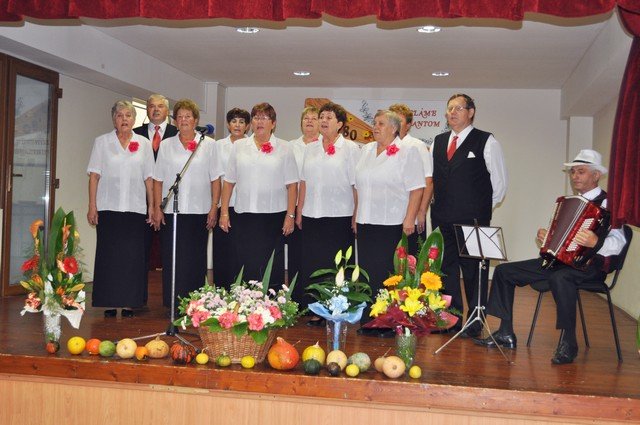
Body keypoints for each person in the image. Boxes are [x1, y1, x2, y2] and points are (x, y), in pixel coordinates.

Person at [474, 149, 626, 365]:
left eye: (580, 172)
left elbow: (619, 242)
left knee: (560, 278)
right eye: (573, 172)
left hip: (589, 267)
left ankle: (569, 342)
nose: (575, 176)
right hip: (560, 262)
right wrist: (547, 238)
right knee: (504, 271)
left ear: (596, 175)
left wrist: (596, 243)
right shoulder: (570, 202)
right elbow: (561, 237)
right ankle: (505, 332)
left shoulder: (609, 205)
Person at [430, 93, 508, 337]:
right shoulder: (438, 141)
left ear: (471, 112)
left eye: (458, 108)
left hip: (473, 219)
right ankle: (451, 319)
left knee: (475, 272)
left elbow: (500, 184)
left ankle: (475, 322)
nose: (452, 113)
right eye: (449, 108)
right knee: (446, 270)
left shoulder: (486, 141)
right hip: (442, 218)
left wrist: (480, 208)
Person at [355, 110, 425, 337]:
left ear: (394, 129)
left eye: (381, 123)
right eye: (375, 123)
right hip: (366, 220)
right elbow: (358, 186)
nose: (375, 127)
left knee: (388, 273)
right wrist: (356, 215)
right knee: (368, 271)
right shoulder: (366, 150)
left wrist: (409, 218)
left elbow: (417, 189)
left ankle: (389, 321)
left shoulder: (407, 151)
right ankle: (370, 319)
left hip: (392, 222)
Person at [87, 100, 154, 318]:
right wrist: (92, 205)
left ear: (134, 119)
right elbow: (94, 176)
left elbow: (149, 179)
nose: (124, 119)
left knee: (132, 258)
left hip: (135, 208)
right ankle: (109, 301)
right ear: (113, 119)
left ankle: (128, 303)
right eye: (119, 115)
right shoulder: (102, 142)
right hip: (108, 207)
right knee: (109, 256)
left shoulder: (144, 143)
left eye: (128, 115)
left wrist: (152, 206)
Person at [219, 102, 298, 286]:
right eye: (256, 117)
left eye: (264, 118)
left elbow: (292, 185)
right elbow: (229, 182)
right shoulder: (239, 146)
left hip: (273, 216)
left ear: (273, 123)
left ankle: (271, 301)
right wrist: (224, 212)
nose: (259, 121)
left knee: (271, 264)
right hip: (244, 215)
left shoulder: (285, 147)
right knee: (245, 261)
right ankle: (246, 300)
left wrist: (290, 215)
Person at [152, 99, 222, 308]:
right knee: (173, 258)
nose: (183, 120)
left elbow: (215, 179)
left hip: (199, 211)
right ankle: (173, 303)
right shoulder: (166, 145)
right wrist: (157, 208)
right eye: (180, 117)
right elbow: (158, 179)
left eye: (188, 116)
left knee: (195, 259)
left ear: (196, 120)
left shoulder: (208, 145)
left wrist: (214, 208)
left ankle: (195, 304)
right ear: (175, 120)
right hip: (172, 211)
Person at [295, 102, 359, 323]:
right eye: (321, 116)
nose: (323, 120)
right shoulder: (310, 148)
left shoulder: (350, 149)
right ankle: (315, 309)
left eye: (329, 117)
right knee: (312, 263)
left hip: (339, 216)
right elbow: (303, 182)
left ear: (340, 124)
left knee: (336, 266)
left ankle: (336, 309)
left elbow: (356, 185)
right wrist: (299, 210)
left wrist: (356, 215)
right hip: (312, 214)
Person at [133, 94, 178, 302]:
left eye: (160, 106)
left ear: (167, 111)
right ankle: (136, 298)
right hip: (139, 200)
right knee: (139, 251)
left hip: (169, 199)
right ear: (147, 110)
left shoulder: (177, 134)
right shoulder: (135, 134)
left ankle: (171, 299)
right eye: (152, 106)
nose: (156, 109)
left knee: (169, 251)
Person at [212, 107, 250, 289]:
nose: (237, 125)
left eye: (242, 122)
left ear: (247, 126)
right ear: (228, 124)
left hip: (246, 206)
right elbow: (215, 177)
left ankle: (243, 291)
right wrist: (217, 206)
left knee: (242, 250)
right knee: (224, 251)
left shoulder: (252, 145)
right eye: (234, 121)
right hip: (224, 205)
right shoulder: (218, 146)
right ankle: (222, 290)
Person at [389, 103, 433, 253]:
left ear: (408, 125)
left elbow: (428, 181)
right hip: (390, 215)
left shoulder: (417, 146)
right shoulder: (384, 146)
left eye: (399, 121)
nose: (395, 124)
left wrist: (421, 211)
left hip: (411, 215)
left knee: (410, 258)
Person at [288, 106, 321, 300]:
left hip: (315, 206)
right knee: (296, 253)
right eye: (306, 118)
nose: (309, 121)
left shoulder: (324, 146)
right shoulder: (291, 146)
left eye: (314, 118)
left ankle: (313, 297)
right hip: (293, 205)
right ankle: (296, 297)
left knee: (313, 253)